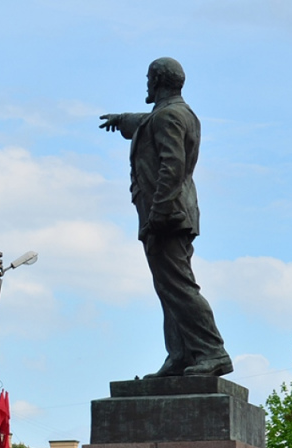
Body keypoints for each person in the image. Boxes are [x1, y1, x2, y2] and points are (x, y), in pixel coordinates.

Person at [99, 57, 231, 379]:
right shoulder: (174, 113)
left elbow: (172, 166)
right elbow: (148, 122)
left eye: (148, 78)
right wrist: (123, 119)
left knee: (179, 286)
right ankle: (181, 355)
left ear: (157, 80)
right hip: (174, 213)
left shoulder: (170, 116)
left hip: (167, 215)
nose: (146, 84)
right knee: (168, 287)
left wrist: (158, 214)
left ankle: (212, 352)